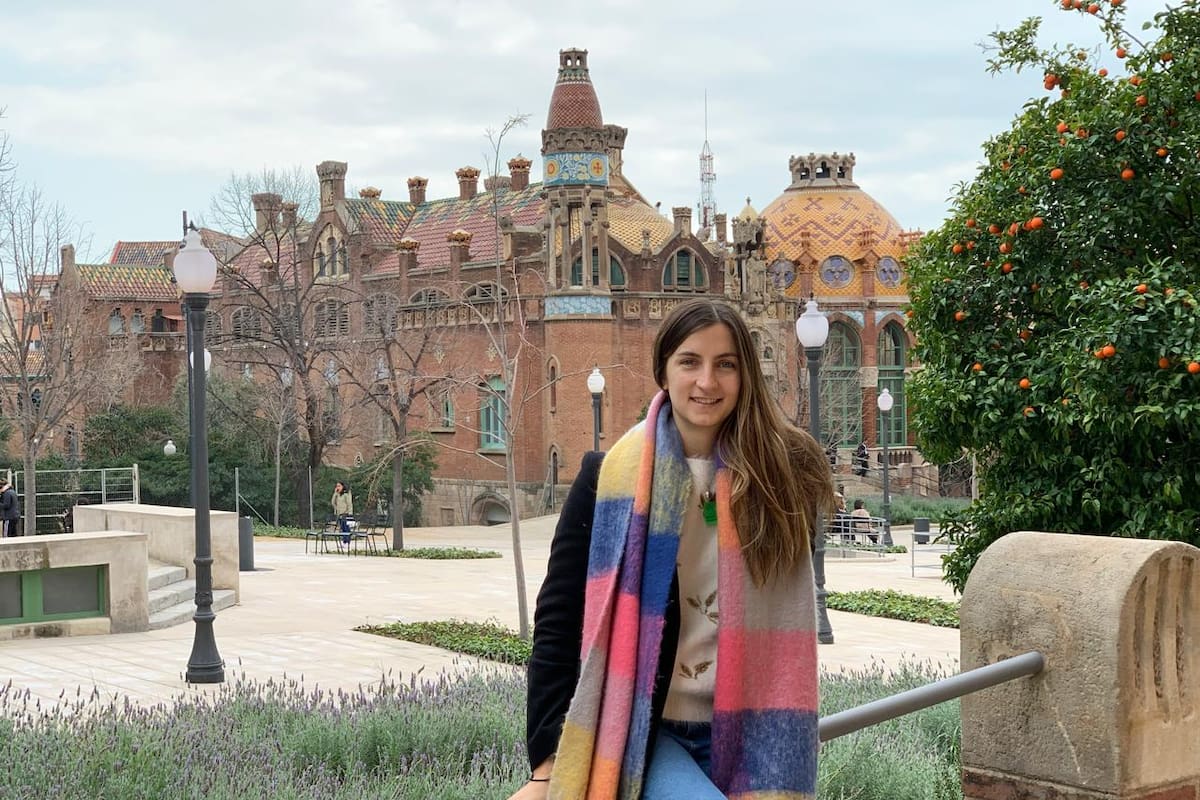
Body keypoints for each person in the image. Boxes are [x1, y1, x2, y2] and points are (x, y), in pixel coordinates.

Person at [511, 298, 834, 800]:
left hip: (752, 726)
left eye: (725, 364)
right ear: (663, 368)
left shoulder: (782, 477)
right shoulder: (607, 480)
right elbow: (557, 625)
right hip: (644, 729)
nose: (707, 382)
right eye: (690, 362)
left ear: (744, 374)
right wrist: (548, 766)